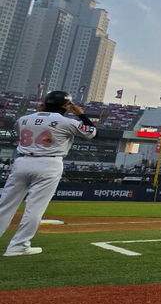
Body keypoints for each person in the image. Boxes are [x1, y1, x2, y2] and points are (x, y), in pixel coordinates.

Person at [0, 91, 96, 256]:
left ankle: (18, 244)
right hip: (49, 163)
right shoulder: (68, 121)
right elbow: (92, 133)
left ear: (44, 103)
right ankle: (19, 245)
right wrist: (82, 115)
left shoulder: (23, 119)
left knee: (5, 204)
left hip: (22, 161)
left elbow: (25, 128)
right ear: (67, 106)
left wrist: (40, 112)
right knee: (35, 207)